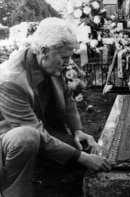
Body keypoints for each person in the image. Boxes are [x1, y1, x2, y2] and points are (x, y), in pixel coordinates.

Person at [0, 17, 111, 197]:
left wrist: (77, 130)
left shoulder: (48, 64)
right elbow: (33, 131)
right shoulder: (10, 81)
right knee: (27, 138)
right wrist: (82, 158)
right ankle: (12, 190)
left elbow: (68, 98)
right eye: (64, 57)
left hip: (42, 130)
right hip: (9, 138)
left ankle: (45, 163)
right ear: (44, 51)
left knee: (87, 149)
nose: (68, 62)